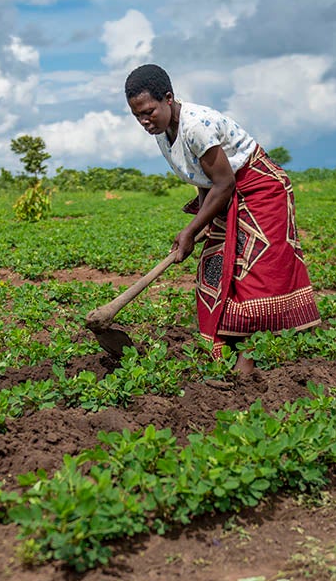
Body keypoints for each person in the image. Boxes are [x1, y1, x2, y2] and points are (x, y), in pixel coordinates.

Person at [124, 63, 320, 375]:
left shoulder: (196, 126)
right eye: (138, 116)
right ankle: (222, 353)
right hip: (224, 193)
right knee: (215, 268)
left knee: (253, 271)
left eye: (149, 111)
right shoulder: (163, 133)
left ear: (168, 98)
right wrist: (203, 225)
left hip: (259, 189)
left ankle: (248, 358)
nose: (145, 121)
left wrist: (190, 229)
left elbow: (225, 182)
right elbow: (203, 179)